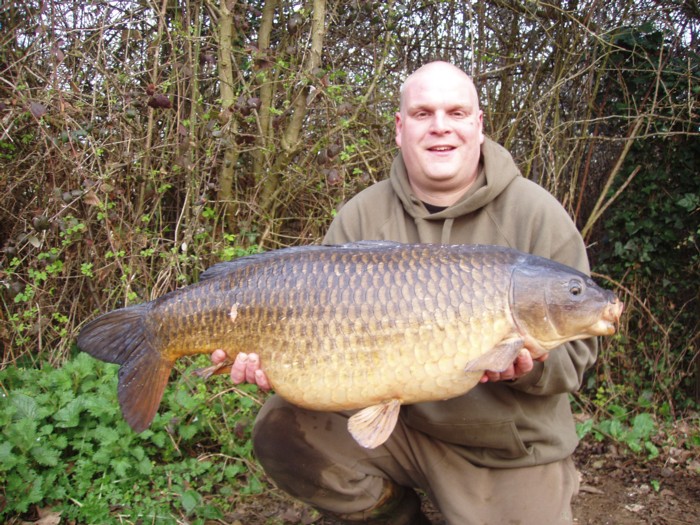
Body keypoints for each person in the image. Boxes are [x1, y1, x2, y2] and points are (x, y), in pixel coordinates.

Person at [211, 61, 595, 524]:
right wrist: (277, 356)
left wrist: (526, 369)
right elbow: (326, 347)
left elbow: (575, 362)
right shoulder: (361, 215)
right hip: (396, 431)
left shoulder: (536, 215)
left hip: (503, 446)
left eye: (456, 113)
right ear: (399, 128)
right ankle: (395, 515)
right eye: (422, 114)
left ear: (478, 124)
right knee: (282, 428)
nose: (440, 128)